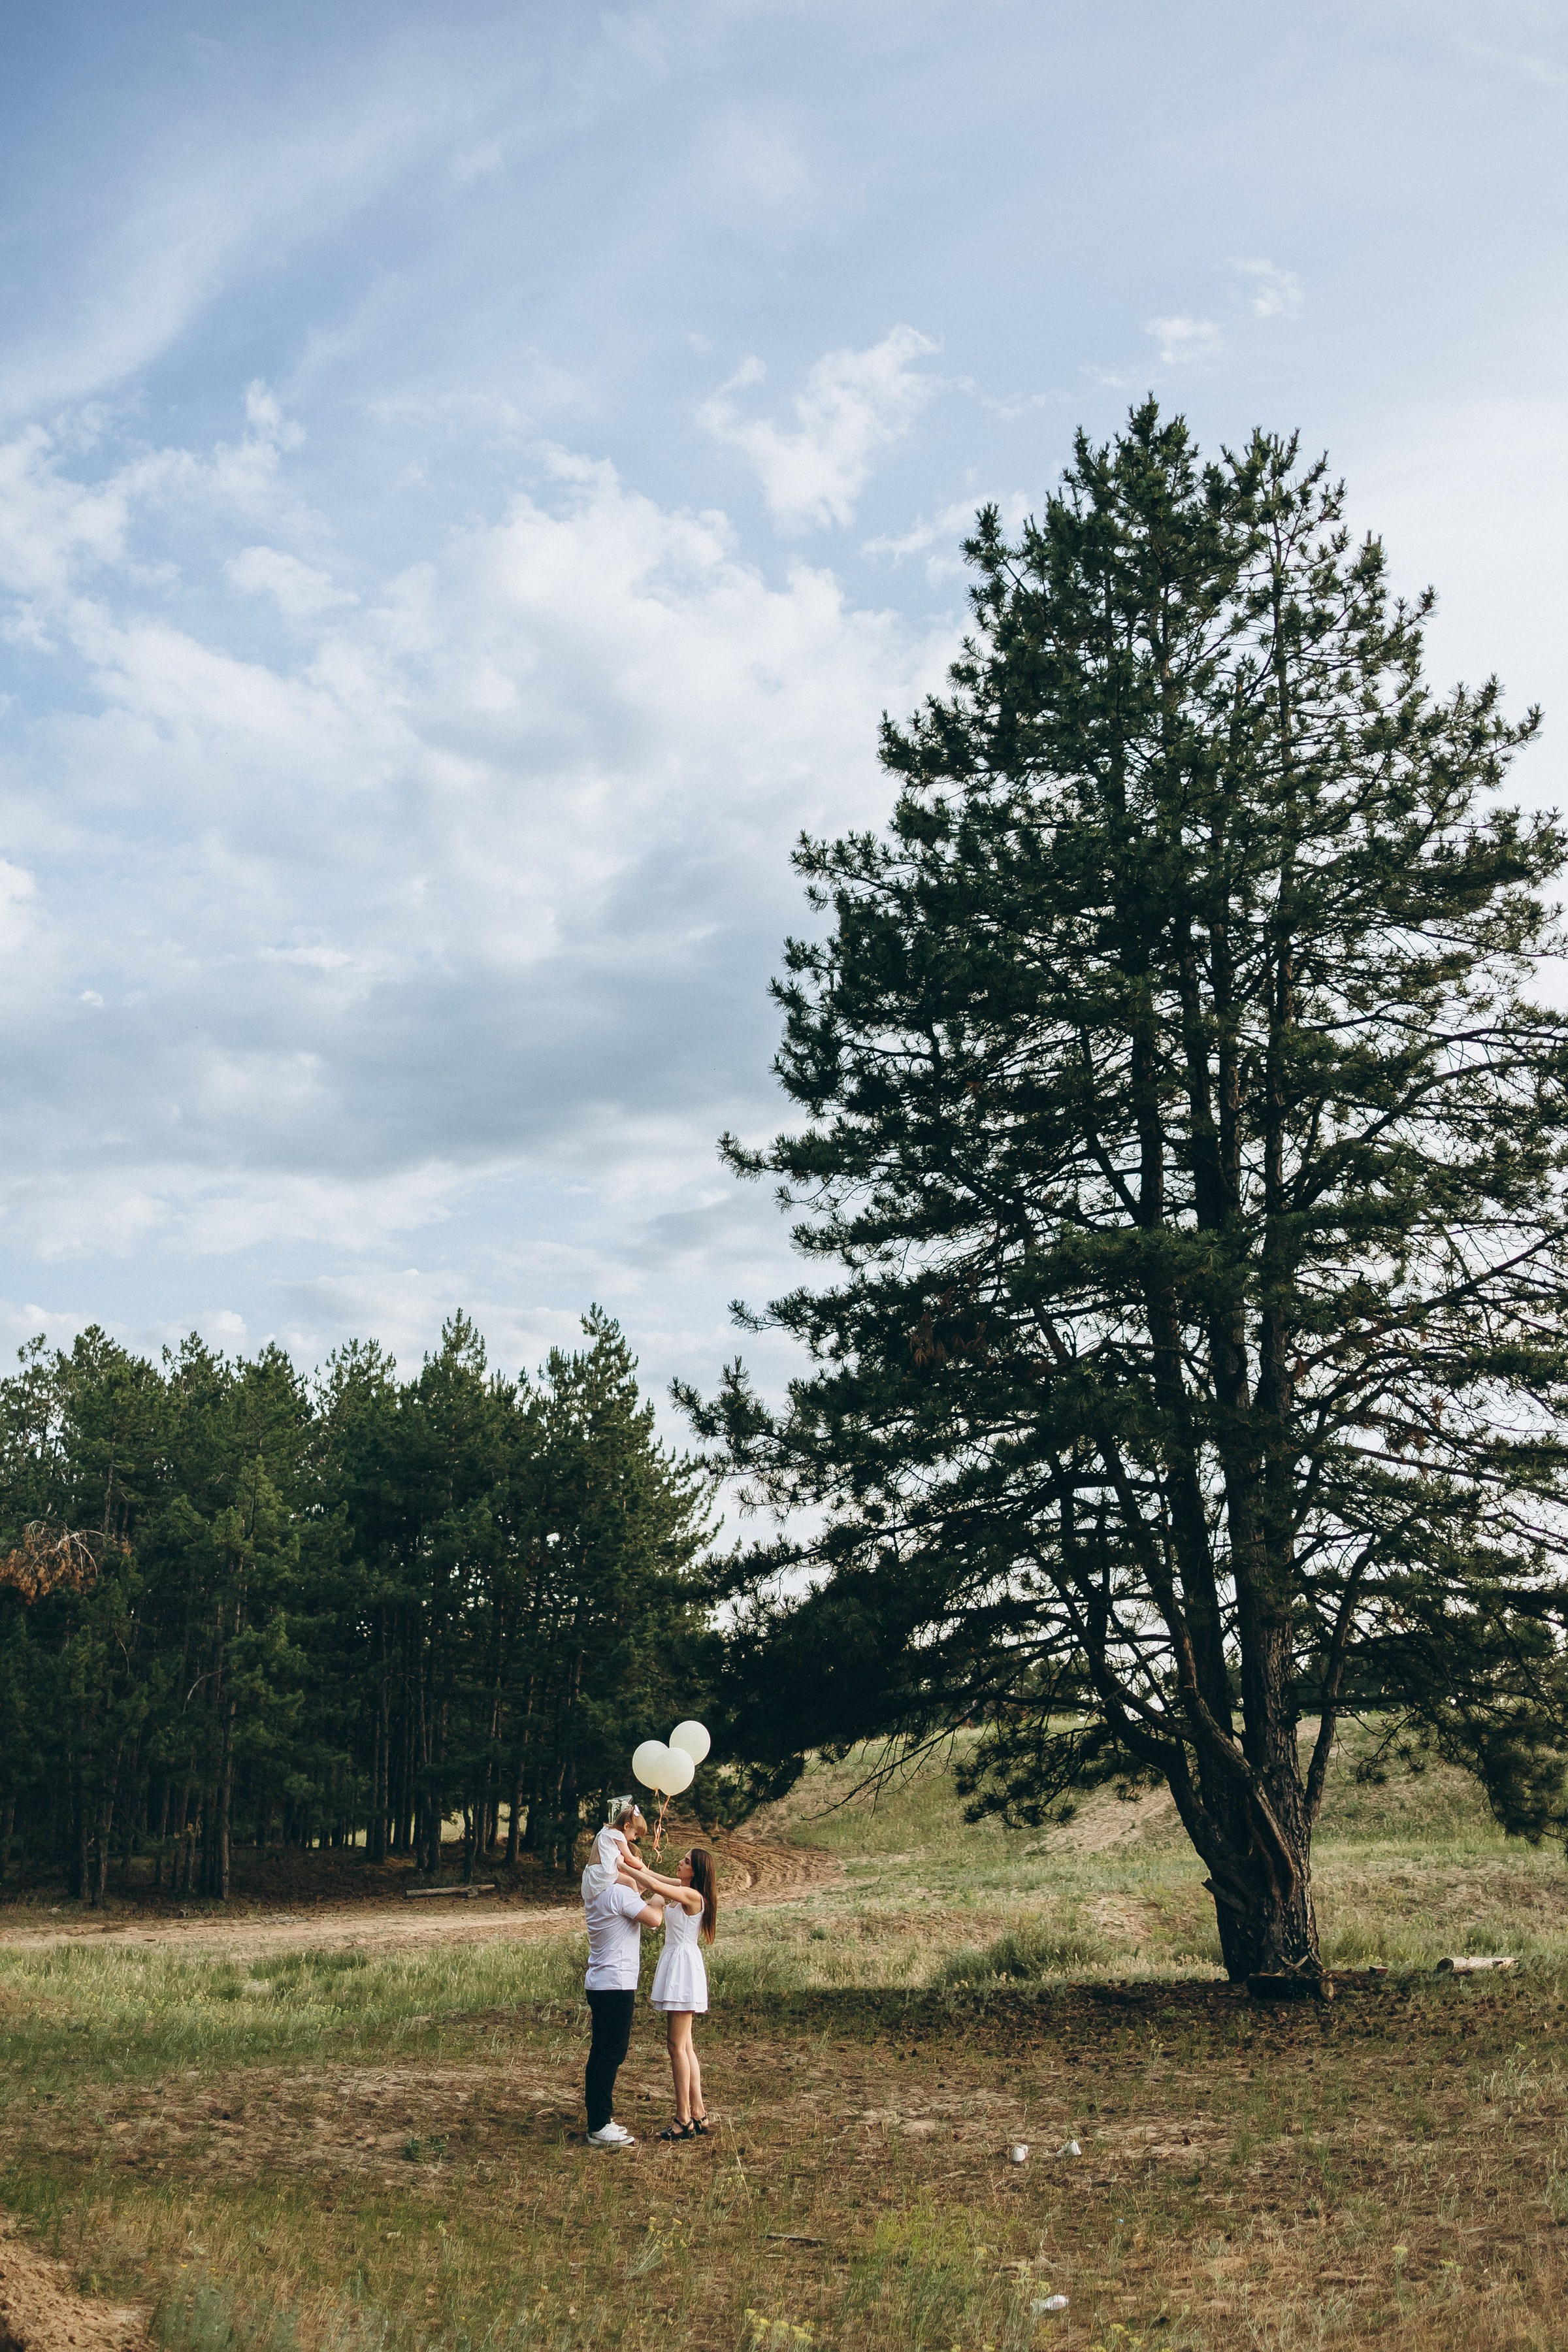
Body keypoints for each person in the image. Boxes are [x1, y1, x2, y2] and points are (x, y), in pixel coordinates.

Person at [581, 1803, 663, 2148]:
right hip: (615, 1984)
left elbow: (640, 1891)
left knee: (603, 2052)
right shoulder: (616, 1894)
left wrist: (666, 1888)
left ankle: (599, 2120)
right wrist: (673, 1893)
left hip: (603, 1983)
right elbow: (654, 1918)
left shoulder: (604, 1894)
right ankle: (599, 2125)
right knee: (610, 2054)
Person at [636, 1847, 717, 2140]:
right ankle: (698, 2112)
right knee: (686, 2046)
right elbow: (654, 1877)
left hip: (683, 1968)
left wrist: (623, 1865)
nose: (679, 1863)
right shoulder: (682, 1888)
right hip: (678, 1963)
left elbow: (656, 1886)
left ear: (694, 1871)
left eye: (684, 1862)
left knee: (675, 2046)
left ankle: (683, 2117)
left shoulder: (693, 1896)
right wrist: (632, 1864)